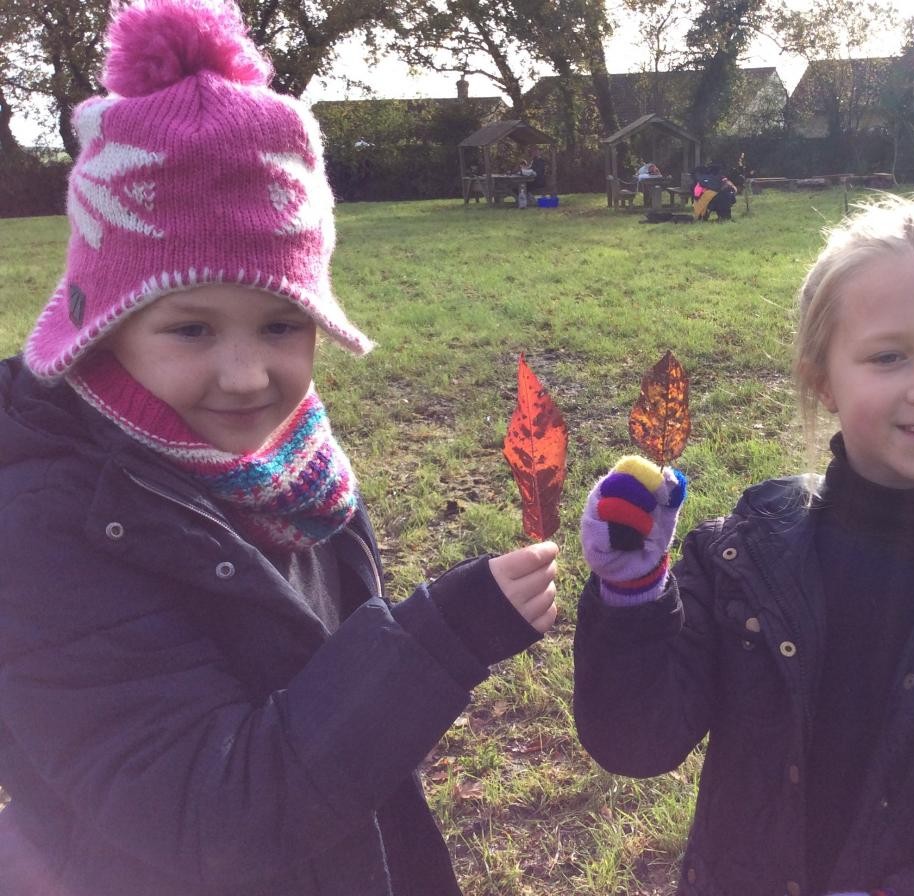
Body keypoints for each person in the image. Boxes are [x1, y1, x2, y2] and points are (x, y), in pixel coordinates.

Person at [0, 3, 557, 895]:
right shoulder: (45, 528)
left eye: (281, 324)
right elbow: (207, 811)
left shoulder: (294, 469)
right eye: (191, 328)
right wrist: (436, 640)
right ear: (101, 326)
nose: (247, 375)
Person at [573, 193, 914, 896]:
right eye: (889, 356)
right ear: (823, 380)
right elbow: (635, 741)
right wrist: (632, 594)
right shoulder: (744, 559)